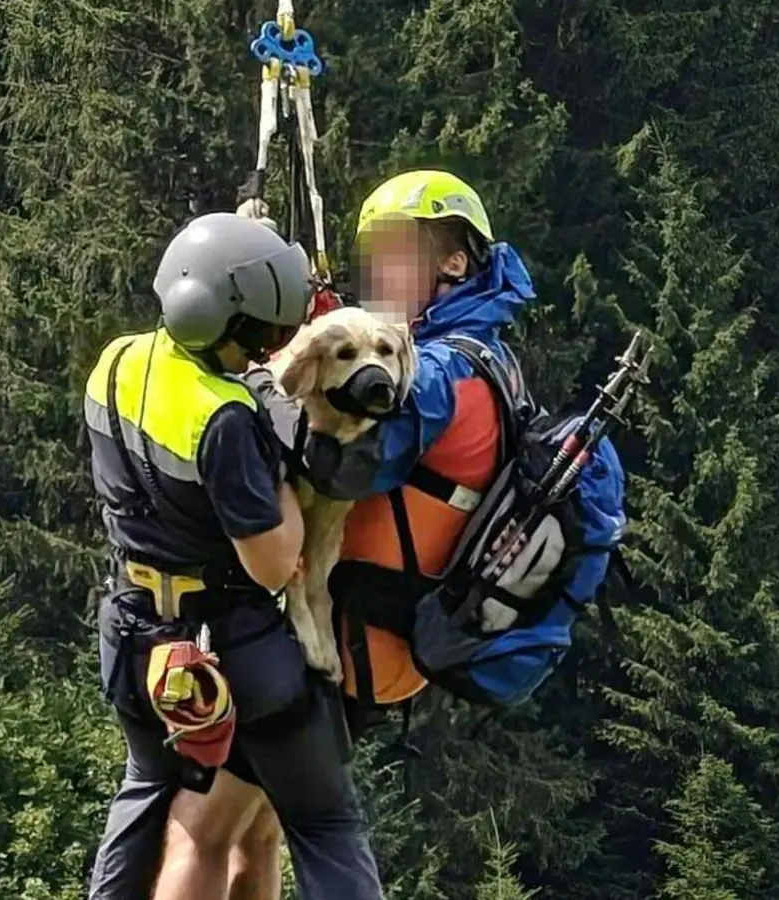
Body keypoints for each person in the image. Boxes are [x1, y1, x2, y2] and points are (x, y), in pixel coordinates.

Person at [225, 168, 539, 888]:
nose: (379, 269)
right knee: (260, 829)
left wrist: (261, 379)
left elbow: (340, 461)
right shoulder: (470, 349)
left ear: (453, 260)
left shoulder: (440, 373)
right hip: (369, 632)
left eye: (395, 250)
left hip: (345, 634)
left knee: (215, 821)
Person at [83, 211, 384, 900]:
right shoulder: (225, 419)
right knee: (324, 820)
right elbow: (274, 565)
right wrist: (279, 476)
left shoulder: (118, 360)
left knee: (146, 791)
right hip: (230, 646)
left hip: (132, 632)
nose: (273, 340)